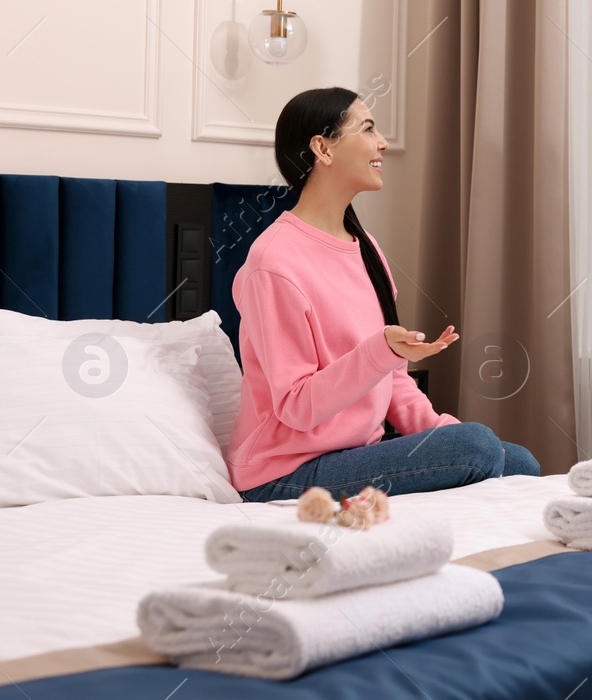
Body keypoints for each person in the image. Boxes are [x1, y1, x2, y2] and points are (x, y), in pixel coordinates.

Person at [230, 86, 540, 503]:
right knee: (480, 447)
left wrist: (443, 434)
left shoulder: (366, 247)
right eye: (368, 128)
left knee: (520, 461)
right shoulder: (273, 263)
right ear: (323, 148)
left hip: (356, 454)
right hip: (283, 472)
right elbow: (296, 408)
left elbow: (392, 382)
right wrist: (379, 352)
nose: (383, 143)